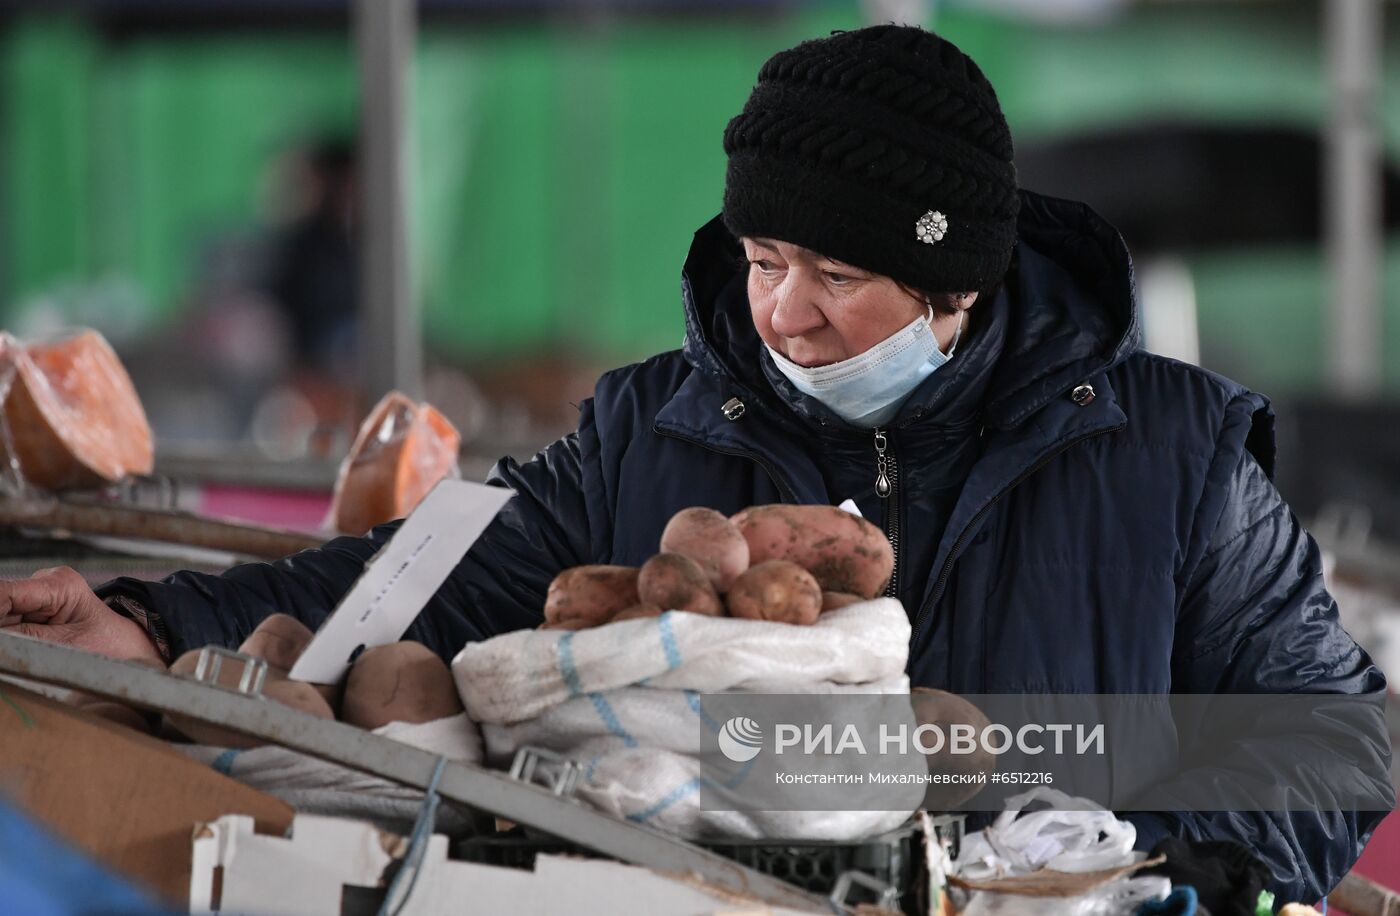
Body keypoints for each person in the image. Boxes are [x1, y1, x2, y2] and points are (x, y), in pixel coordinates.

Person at [0, 25, 1389, 902]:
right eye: (766, 259)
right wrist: (144, 620)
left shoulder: (1175, 456)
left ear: (957, 288)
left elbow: (1329, 744)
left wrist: (1159, 875)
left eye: (839, 274)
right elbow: (417, 582)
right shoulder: (655, 423)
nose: (784, 312)